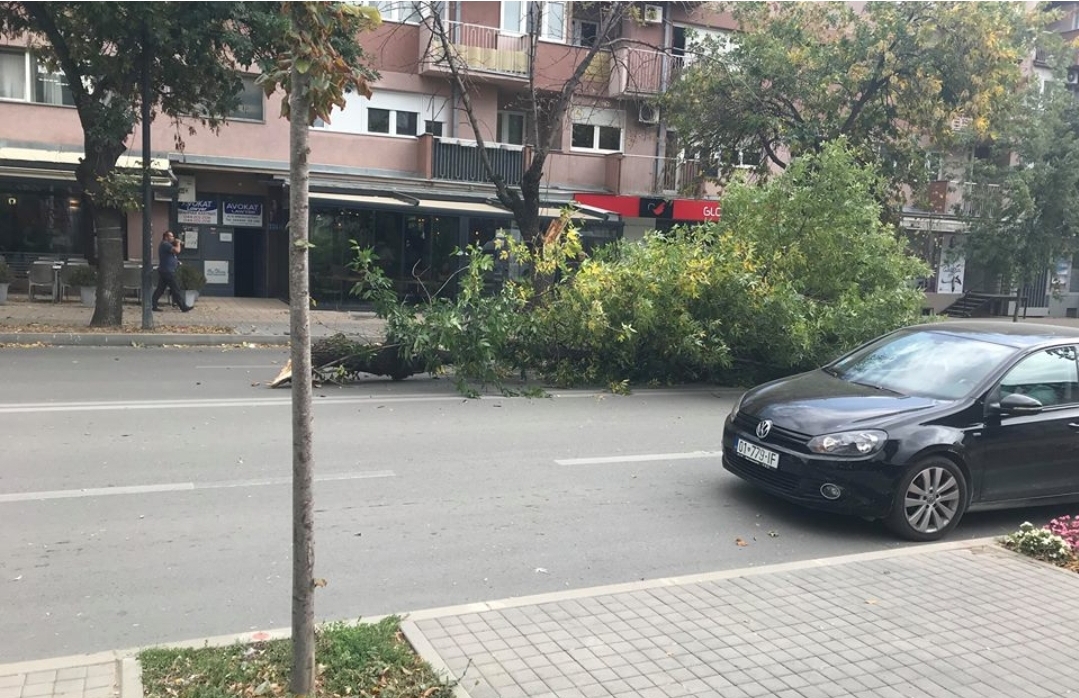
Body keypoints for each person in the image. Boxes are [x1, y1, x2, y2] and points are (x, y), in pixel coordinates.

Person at [152, 230, 192, 312]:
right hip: (168, 271)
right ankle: (183, 307)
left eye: (173, 236)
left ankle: (153, 305)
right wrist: (178, 243)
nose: (173, 238)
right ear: (166, 237)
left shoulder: (166, 245)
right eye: (171, 236)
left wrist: (176, 262)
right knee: (176, 288)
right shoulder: (165, 244)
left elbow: (169, 256)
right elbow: (177, 251)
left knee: (160, 289)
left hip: (165, 270)